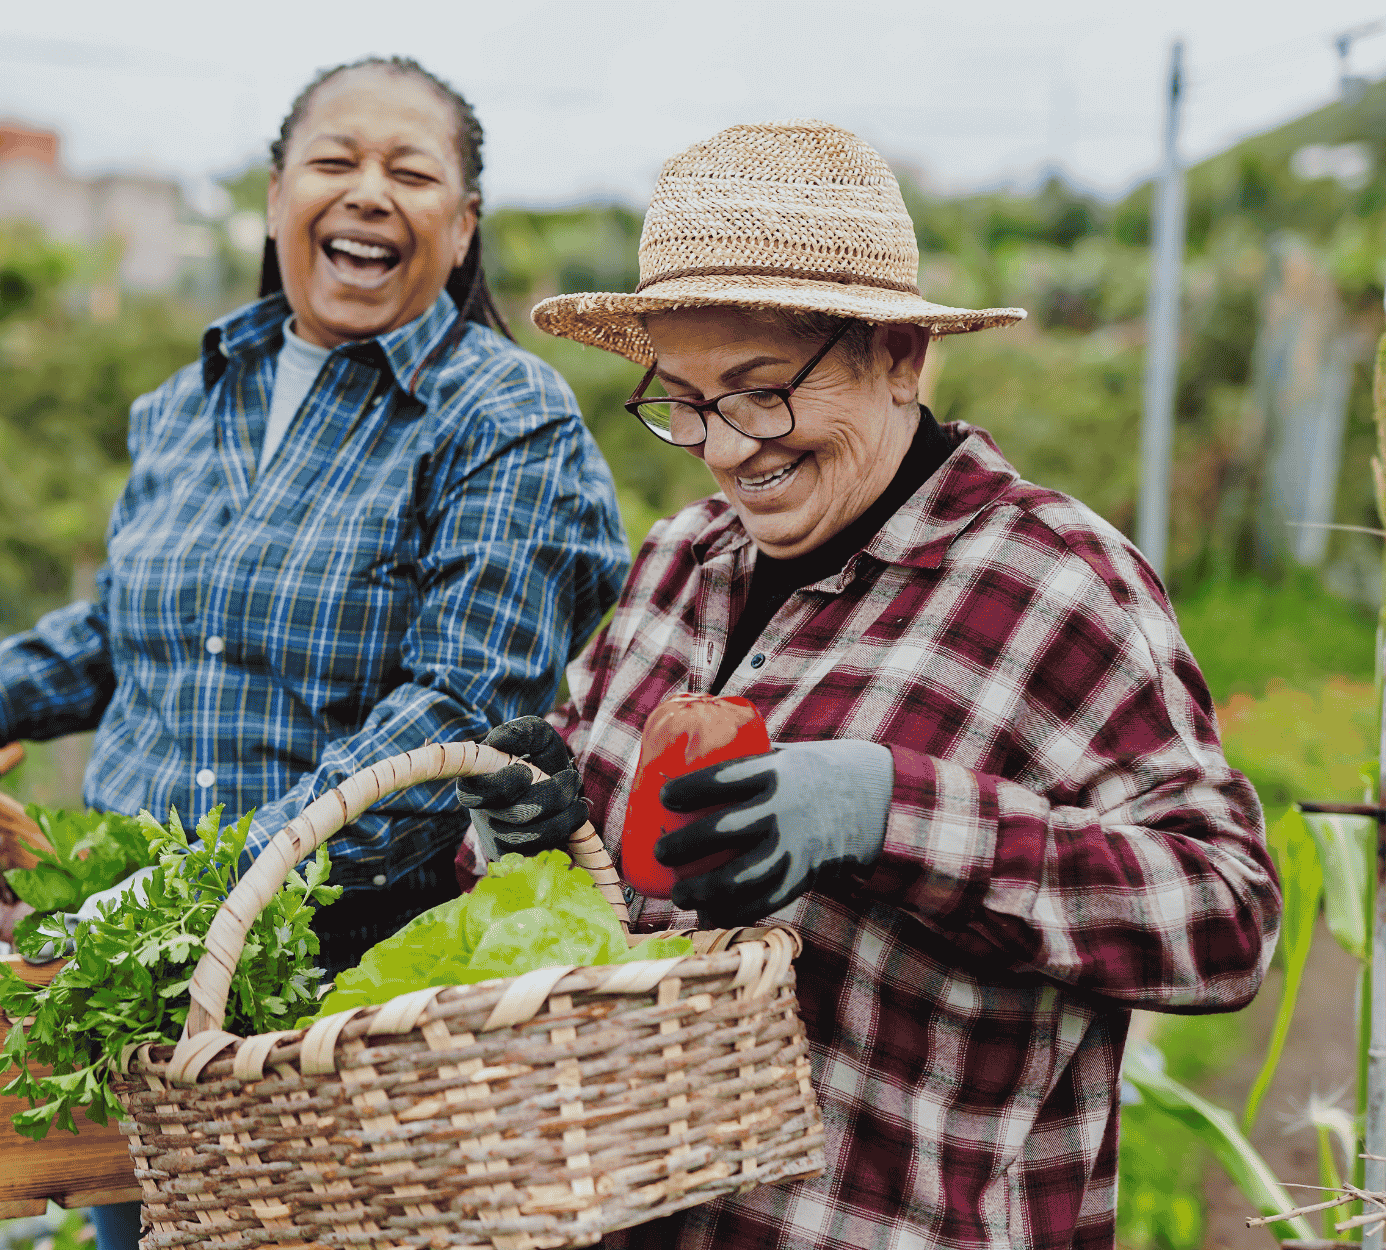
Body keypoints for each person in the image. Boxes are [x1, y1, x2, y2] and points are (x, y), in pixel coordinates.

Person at [0, 56, 628, 1250]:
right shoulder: (192, 396)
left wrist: (218, 891)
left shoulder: (506, 419)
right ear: (277, 191)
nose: (367, 193)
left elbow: (458, 707)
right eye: (334, 161)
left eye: (411, 171)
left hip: (327, 998)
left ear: (464, 223)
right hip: (120, 970)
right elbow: (131, 625)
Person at [457, 120, 1277, 1250]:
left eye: (760, 391)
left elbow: (1223, 914)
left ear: (900, 357)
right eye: (685, 400)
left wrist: (893, 810)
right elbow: (606, 903)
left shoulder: (1049, 584)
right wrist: (527, 834)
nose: (725, 447)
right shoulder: (676, 565)